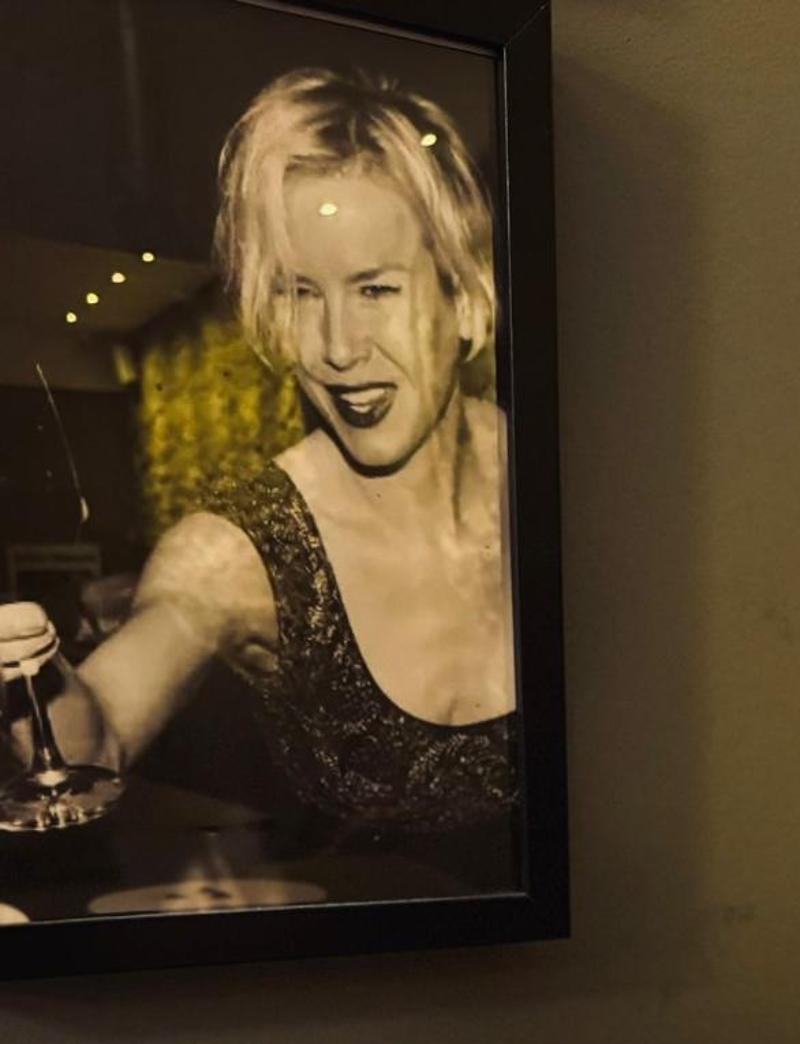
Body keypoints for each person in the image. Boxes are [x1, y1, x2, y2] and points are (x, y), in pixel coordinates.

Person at [0, 69, 515, 840]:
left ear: (464, 302)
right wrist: (27, 680)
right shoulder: (237, 550)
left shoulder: (567, 484)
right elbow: (95, 742)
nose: (336, 349)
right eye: (300, 294)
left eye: (376, 290)